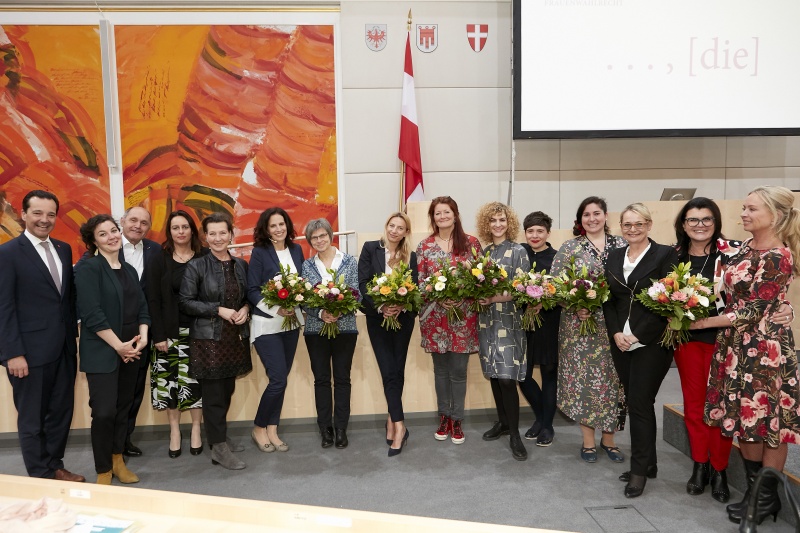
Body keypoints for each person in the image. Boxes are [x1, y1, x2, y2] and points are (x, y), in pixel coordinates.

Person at [699, 186, 799, 524]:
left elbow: (754, 309)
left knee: (768, 422)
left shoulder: (779, 255)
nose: (743, 213)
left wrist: (700, 322)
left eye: (751, 209)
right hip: (735, 346)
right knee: (747, 420)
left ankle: (766, 499)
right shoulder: (743, 247)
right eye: (743, 207)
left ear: (775, 215)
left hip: (765, 350)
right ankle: (756, 493)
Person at [0, 190, 84, 482]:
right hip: (28, 354)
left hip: (63, 348)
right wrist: (12, 353)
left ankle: (55, 465)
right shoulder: (7, 253)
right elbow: (4, 307)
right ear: (23, 214)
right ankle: (40, 475)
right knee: (32, 418)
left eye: (50, 214)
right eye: (37, 213)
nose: (44, 220)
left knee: (61, 412)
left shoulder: (63, 248)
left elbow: (66, 299)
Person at [604, 203, 679, 498]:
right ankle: (649, 464)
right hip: (621, 340)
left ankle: (638, 472)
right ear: (621, 227)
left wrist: (636, 334)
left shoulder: (665, 255)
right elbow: (608, 300)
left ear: (648, 225)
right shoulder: (613, 256)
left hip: (651, 341)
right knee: (639, 403)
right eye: (627, 225)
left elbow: (667, 300)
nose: (632, 229)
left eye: (638, 224)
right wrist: (616, 333)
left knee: (638, 402)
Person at [75, 214, 151, 484]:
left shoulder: (129, 269)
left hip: (131, 348)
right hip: (104, 350)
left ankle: (118, 460)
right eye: (103, 234)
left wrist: (142, 336)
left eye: (113, 231)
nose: (112, 237)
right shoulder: (88, 268)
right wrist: (119, 346)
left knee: (123, 408)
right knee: (104, 412)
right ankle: (103, 470)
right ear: (93, 241)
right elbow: (92, 314)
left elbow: (142, 306)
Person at [550, 196, 626, 464]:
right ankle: (588, 441)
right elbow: (556, 285)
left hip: (616, 326)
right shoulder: (570, 248)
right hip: (579, 328)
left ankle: (610, 440)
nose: (592, 218)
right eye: (586, 215)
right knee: (583, 382)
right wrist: (574, 305)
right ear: (580, 220)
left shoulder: (623, 244)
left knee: (613, 382)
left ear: (606, 216)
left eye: (597, 213)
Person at [179, 213, 251, 470]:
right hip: (208, 340)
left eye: (223, 233)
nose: (218, 238)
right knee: (214, 395)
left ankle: (218, 438)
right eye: (213, 234)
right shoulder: (196, 266)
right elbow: (186, 302)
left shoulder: (240, 264)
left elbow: (246, 295)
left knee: (228, 390)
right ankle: (219, 447)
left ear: (231, 235)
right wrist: (217, 309)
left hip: (234, 339)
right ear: (205, 237)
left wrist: (245, 308)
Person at [416, 196, 482, 445]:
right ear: (433, 218)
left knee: (458, 372)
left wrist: (462, 293)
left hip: (463, 317)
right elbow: (420, 282)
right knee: (440, 371)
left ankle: (457, 420)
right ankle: (443, 417)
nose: (442, 217)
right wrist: (437, 297)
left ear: (455, 214)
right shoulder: (424, 246)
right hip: (434, 317)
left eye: (447, 212)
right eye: (437, 213)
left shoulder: (471, 243)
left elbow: (481, 279)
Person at [146, 210, 206, 458]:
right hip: (168, 335)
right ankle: (174, 431)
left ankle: (195, 429)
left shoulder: (204, 257)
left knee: (195, 383)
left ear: (192, 230)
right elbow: (153, 299)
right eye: (175, 228)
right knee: (169, 384)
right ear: (169, 232)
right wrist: (158, 335)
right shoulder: (159, 259)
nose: (180, 232)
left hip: (199, 333)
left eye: (185, 227)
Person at [358, 212, 418, 456]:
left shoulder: (410, 256)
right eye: (391, 226)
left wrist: (400, 306)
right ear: (386, 227)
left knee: (398, 370)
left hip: (403, 320)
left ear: (405, 232)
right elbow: (363, 284)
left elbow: (414, 288)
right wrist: (382, 306)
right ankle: (401, 425)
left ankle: (393, 420)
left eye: (400, 227)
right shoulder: (370, 248)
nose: (394, 230)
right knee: (388, 370)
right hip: (377, 318)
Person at [475, 202, 530, 461]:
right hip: (487, 322)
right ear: (487, 224)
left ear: (510, 224)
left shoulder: (519, 251)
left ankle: (516, 434)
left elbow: (523, 289)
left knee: (508, 378)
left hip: (509, 321)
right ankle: (503, 422)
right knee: (495, 375)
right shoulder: (484, 253)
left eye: (502, 220)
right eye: (493, 220)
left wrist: (493, 299)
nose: (498, 225)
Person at [247, 207, 304, 454]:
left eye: (282, 224)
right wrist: (276, 309)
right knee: (278, 378)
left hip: (291, 325)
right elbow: (252, 289)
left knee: (280, 380)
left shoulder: (296, 250)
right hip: (267, 325)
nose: (279, 229)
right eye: (273, 225)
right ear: (266, 229)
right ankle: (259, 427)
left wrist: (296, 303)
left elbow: (303, 284)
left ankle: (273, 428)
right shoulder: (260, 253)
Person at [302, 218, 361, 449]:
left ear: (330, 235)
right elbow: (304, 298)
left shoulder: (348, 261)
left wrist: (338, 311)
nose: (319, 240)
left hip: (345, 328)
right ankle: (325, 428)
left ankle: (341, 429)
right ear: (310, 241)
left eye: (322, 235)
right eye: (314, 238)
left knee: (343, 379)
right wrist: (320, 314)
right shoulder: (307, 265)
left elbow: (356, 294)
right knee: (322, 380)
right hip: (316, 330)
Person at [518, 211, 562, 447]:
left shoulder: (557, 257)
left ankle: (547, 426)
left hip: (548, 322)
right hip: (522, 324)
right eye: (530, 231)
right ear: (525, 233)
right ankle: (541, 417)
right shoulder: (519, 253)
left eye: (540, 231)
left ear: (547, 232)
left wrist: (543, 300)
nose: (535, 235)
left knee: (548, 374)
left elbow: (562, 291)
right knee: (522, 375)